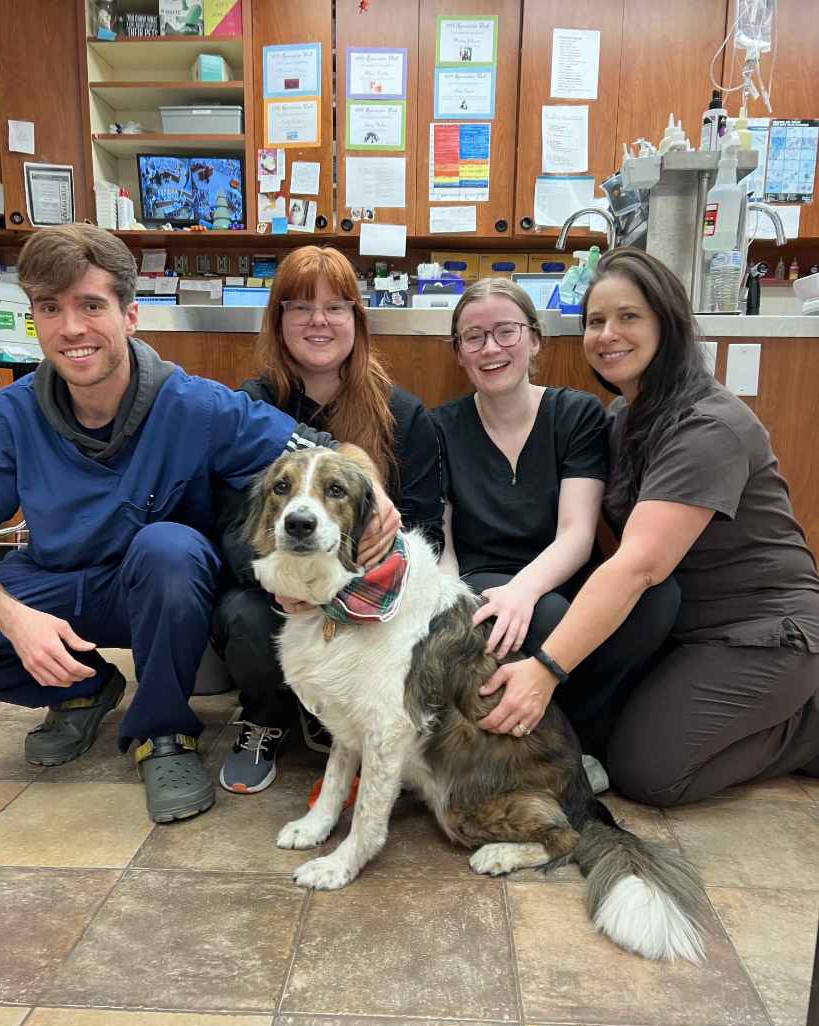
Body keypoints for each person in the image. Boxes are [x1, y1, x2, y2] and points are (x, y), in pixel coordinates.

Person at [0, 225, 397, 824]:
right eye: (50, 308)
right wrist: (13, 617)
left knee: (169, 548)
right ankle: (80, 689)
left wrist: (376, 491)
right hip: (54, 585)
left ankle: (163, 736)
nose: (71, 327)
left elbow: (325, 449)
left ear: (131, 315)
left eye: (91, 305)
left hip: (162, 595)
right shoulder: (11, 412)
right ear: (34, 319)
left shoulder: (196, 405)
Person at [478, 248, 819, 806]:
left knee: (648, 773)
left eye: (629, 317)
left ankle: (805, 727)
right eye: (595, 321)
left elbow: (639, 565)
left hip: (765, 633)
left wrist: (544, 671)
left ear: (668, 322)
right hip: (687, 631)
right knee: (608, 736)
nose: (607, 334)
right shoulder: (622, 418)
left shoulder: (708, 427)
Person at [213, 245, 443, 795]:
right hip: (282, 588)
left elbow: (425, 526)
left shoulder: (403, 414)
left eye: (336, 307)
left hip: (369, 591)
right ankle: (265, 716)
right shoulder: (249, 407)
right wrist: (287, 589)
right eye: (299, 306)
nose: (318, 320)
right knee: (245, 617)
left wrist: (355, 590)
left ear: (356, 323)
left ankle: (346, 719)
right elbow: (231, 526)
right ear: (278, 321)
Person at [431, 278, 680, 763]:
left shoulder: (575, 414)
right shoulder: (439, 426)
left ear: (534, 339)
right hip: (480, 579)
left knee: (656, 597)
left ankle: (573, 729)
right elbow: (440, 536)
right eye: (473, 337)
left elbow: (578, 533)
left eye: (506, 331)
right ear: (459, 353)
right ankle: (559, 743)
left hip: (559, 571)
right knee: (547, 618)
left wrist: (525, 588)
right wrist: (449, 600)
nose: (491, 348)